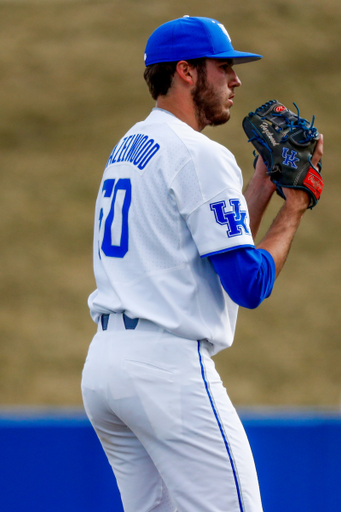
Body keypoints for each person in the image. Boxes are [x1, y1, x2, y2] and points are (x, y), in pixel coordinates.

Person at [81, 16, 323, 512]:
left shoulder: (129, 146)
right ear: (187, 72)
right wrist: (293, 205)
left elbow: (208, 249)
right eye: (224, 67)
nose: (236, 80)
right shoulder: (198, 154)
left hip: (106, 369)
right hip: (164, 372)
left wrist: (258, 187)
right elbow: (248, 283)